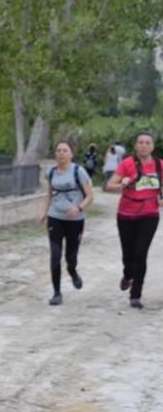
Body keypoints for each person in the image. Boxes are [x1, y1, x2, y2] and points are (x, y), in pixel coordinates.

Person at [105, 132, 162, 309]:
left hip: (149, 214)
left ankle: (135, 294)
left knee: (141, 253)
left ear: (152, 146)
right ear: (136, 146)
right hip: (126, 215)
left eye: (147, 142)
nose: (144, 145)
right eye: (140, 142)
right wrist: (122, 183)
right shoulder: (127, 164)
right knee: (128, 255)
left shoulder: (159, 166)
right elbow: (109, 185)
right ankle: (128, 273)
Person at [39, 141, 94, 306]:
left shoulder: (79, 171)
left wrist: (78, 208)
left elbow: (90, 196)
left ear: (71, 154)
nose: (61, 153)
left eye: (65, 150)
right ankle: (57, 293)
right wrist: (44, 213)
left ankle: (73, 272)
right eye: (58, 150)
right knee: (55, 256)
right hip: (55, 217)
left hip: (75, 220)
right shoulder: (51, 173)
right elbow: (50, 194)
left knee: (71, 257)